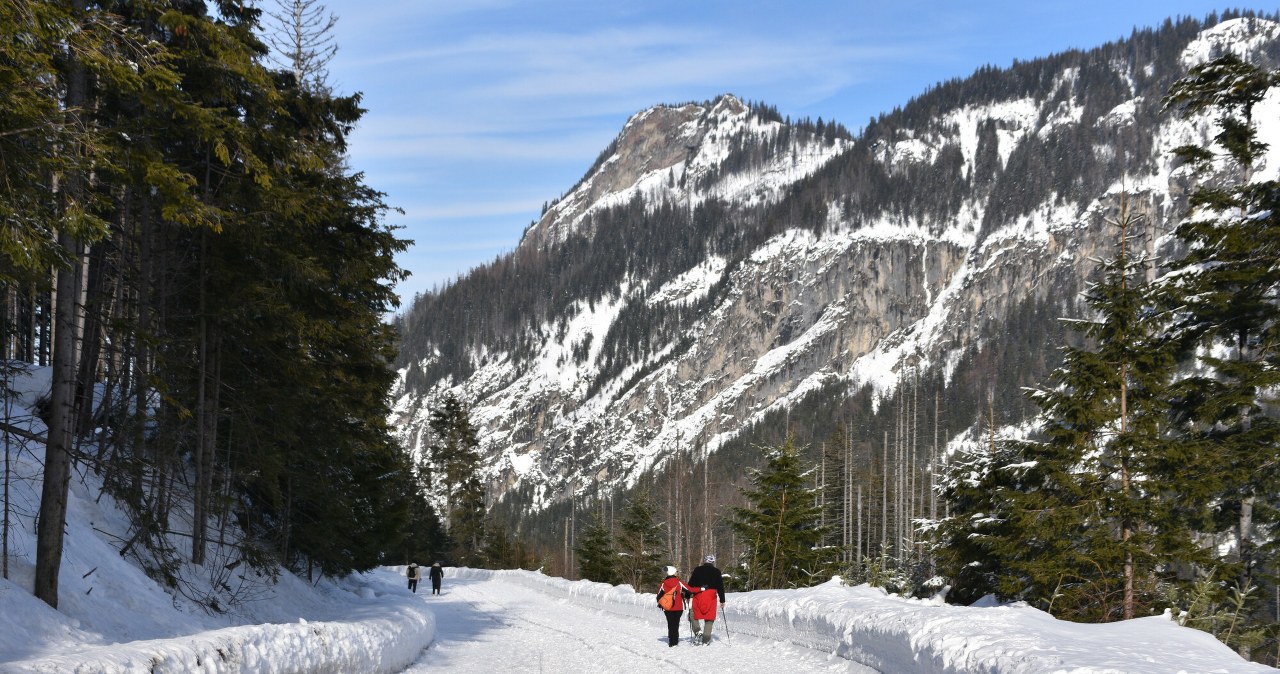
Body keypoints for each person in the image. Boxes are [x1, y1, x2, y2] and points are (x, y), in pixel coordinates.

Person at [687, 554, 726, 645]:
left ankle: (697, 631)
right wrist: (722, 600)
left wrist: (687, 596)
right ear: (713, 561)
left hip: (698, 595)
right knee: (709, 617)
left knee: (693, 614)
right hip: (711, 596)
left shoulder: (697, 570)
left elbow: (691, 584)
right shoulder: (716, 571)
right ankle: (706, 639)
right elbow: (720, 586)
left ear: (705, 560)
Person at [657, 565, 693, 647]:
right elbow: (690, 590)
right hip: (678, 607)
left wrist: (662, 603)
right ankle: (674, 641)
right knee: (676, 624)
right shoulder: (679, 583)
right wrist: (702, 589)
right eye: (676, 571)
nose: (677, 573)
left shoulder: (663, 584)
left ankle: (672, 639)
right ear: (673, 572)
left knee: (670, 623)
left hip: (667, 607)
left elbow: (658, 596)